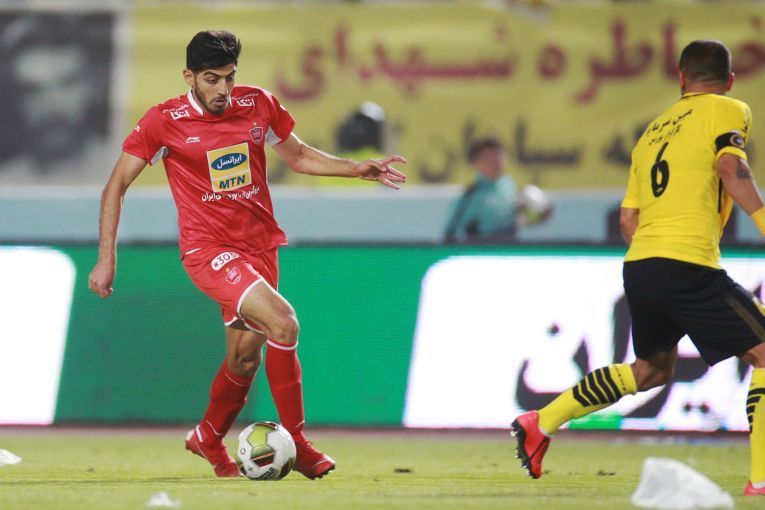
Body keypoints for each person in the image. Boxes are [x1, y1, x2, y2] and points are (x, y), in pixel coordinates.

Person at [88, 31, 406, 479]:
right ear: (189, 77)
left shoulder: (259, 104)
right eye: (212, 79)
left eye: (229, 78)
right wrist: (107, 258)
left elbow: (298, 156)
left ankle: (207, 436)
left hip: (260, 248)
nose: (223, 89)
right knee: (284, 322)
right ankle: (298, 442)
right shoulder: (163, 121)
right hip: (209, 250)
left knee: (244, 358)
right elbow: (115, 185)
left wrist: (355, 168)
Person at [511, 40, 765, 497]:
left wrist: (657, 261)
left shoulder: (651, 134)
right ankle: (761, 480)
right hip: (687, 262)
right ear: (729, 80)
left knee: (649, 371)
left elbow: (629, 218)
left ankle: (541, 421)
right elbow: (731, 167)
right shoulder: (728, 109)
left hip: (642, 264)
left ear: (681, 79)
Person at [0, 14, 114, 185]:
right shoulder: (6, 183)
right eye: (32, 90)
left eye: (67, 84)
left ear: (93, 85)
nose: (50, 105)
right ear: (16, 99)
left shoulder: (131, 170)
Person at [443, 137, 550, 243]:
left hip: (509, 249)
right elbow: (450, 233)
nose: (496, 161)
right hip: (482, 251)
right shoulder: (470, 196)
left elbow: (519, 219)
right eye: (489, 158)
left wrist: (534, 216)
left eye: (499, 155)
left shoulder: (510, 186)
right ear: (476, 163)